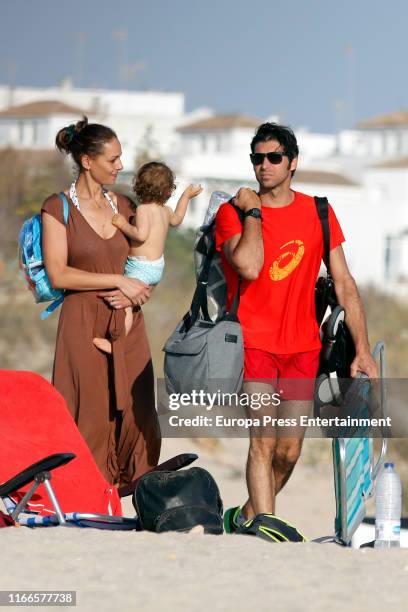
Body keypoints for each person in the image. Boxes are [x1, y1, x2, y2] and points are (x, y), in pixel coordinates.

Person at [215, 122, 377, 529]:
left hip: (303, 348)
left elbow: (344, 282)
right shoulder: (232, 213)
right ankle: (267, 525)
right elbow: (249, 265)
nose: (264, 166)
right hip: (252, 344)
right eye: (257, 158)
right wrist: (253, 211)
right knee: (264, 442)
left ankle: (246, 516)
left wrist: (361, 349)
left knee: (288, 451)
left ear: (293, 163)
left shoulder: (317, 211)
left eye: (274, 157)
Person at [41, 117, 161, 486]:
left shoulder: (125, 205)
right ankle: (87, 497)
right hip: (82, 322)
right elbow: (59, 275)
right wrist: (117, 280)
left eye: (121, 157)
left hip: (127, 321)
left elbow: (147, 260)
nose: (121, 166)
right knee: (90, 416)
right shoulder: (57, 208)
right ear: (87, 161)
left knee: (141, 418)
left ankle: (139, 495)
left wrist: (140, 289)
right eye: (113, 159)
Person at [93, 162, 202, 353]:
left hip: (140, 267)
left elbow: (140, 235)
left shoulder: (144, 209)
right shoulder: (165, 211)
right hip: (156, 267)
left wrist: (122, 224)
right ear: (169, 191)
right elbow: (177, 220)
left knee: (125, 306)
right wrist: (185, 196)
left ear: (139, 187)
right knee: (132, 302)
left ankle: (117, 345)